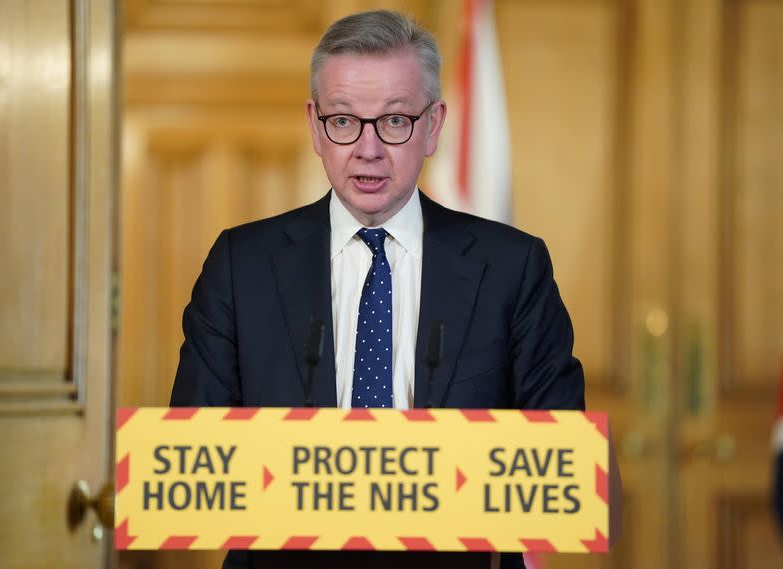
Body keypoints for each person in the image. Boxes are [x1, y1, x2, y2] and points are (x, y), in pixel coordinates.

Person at [170, 10, 584, 569]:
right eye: (344, 121)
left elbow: (558, 463)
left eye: (394, 122)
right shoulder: (241, 266)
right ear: (316, 127)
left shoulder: (512, 267)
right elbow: (195, 467)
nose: (367, 149)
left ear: (434, 125)